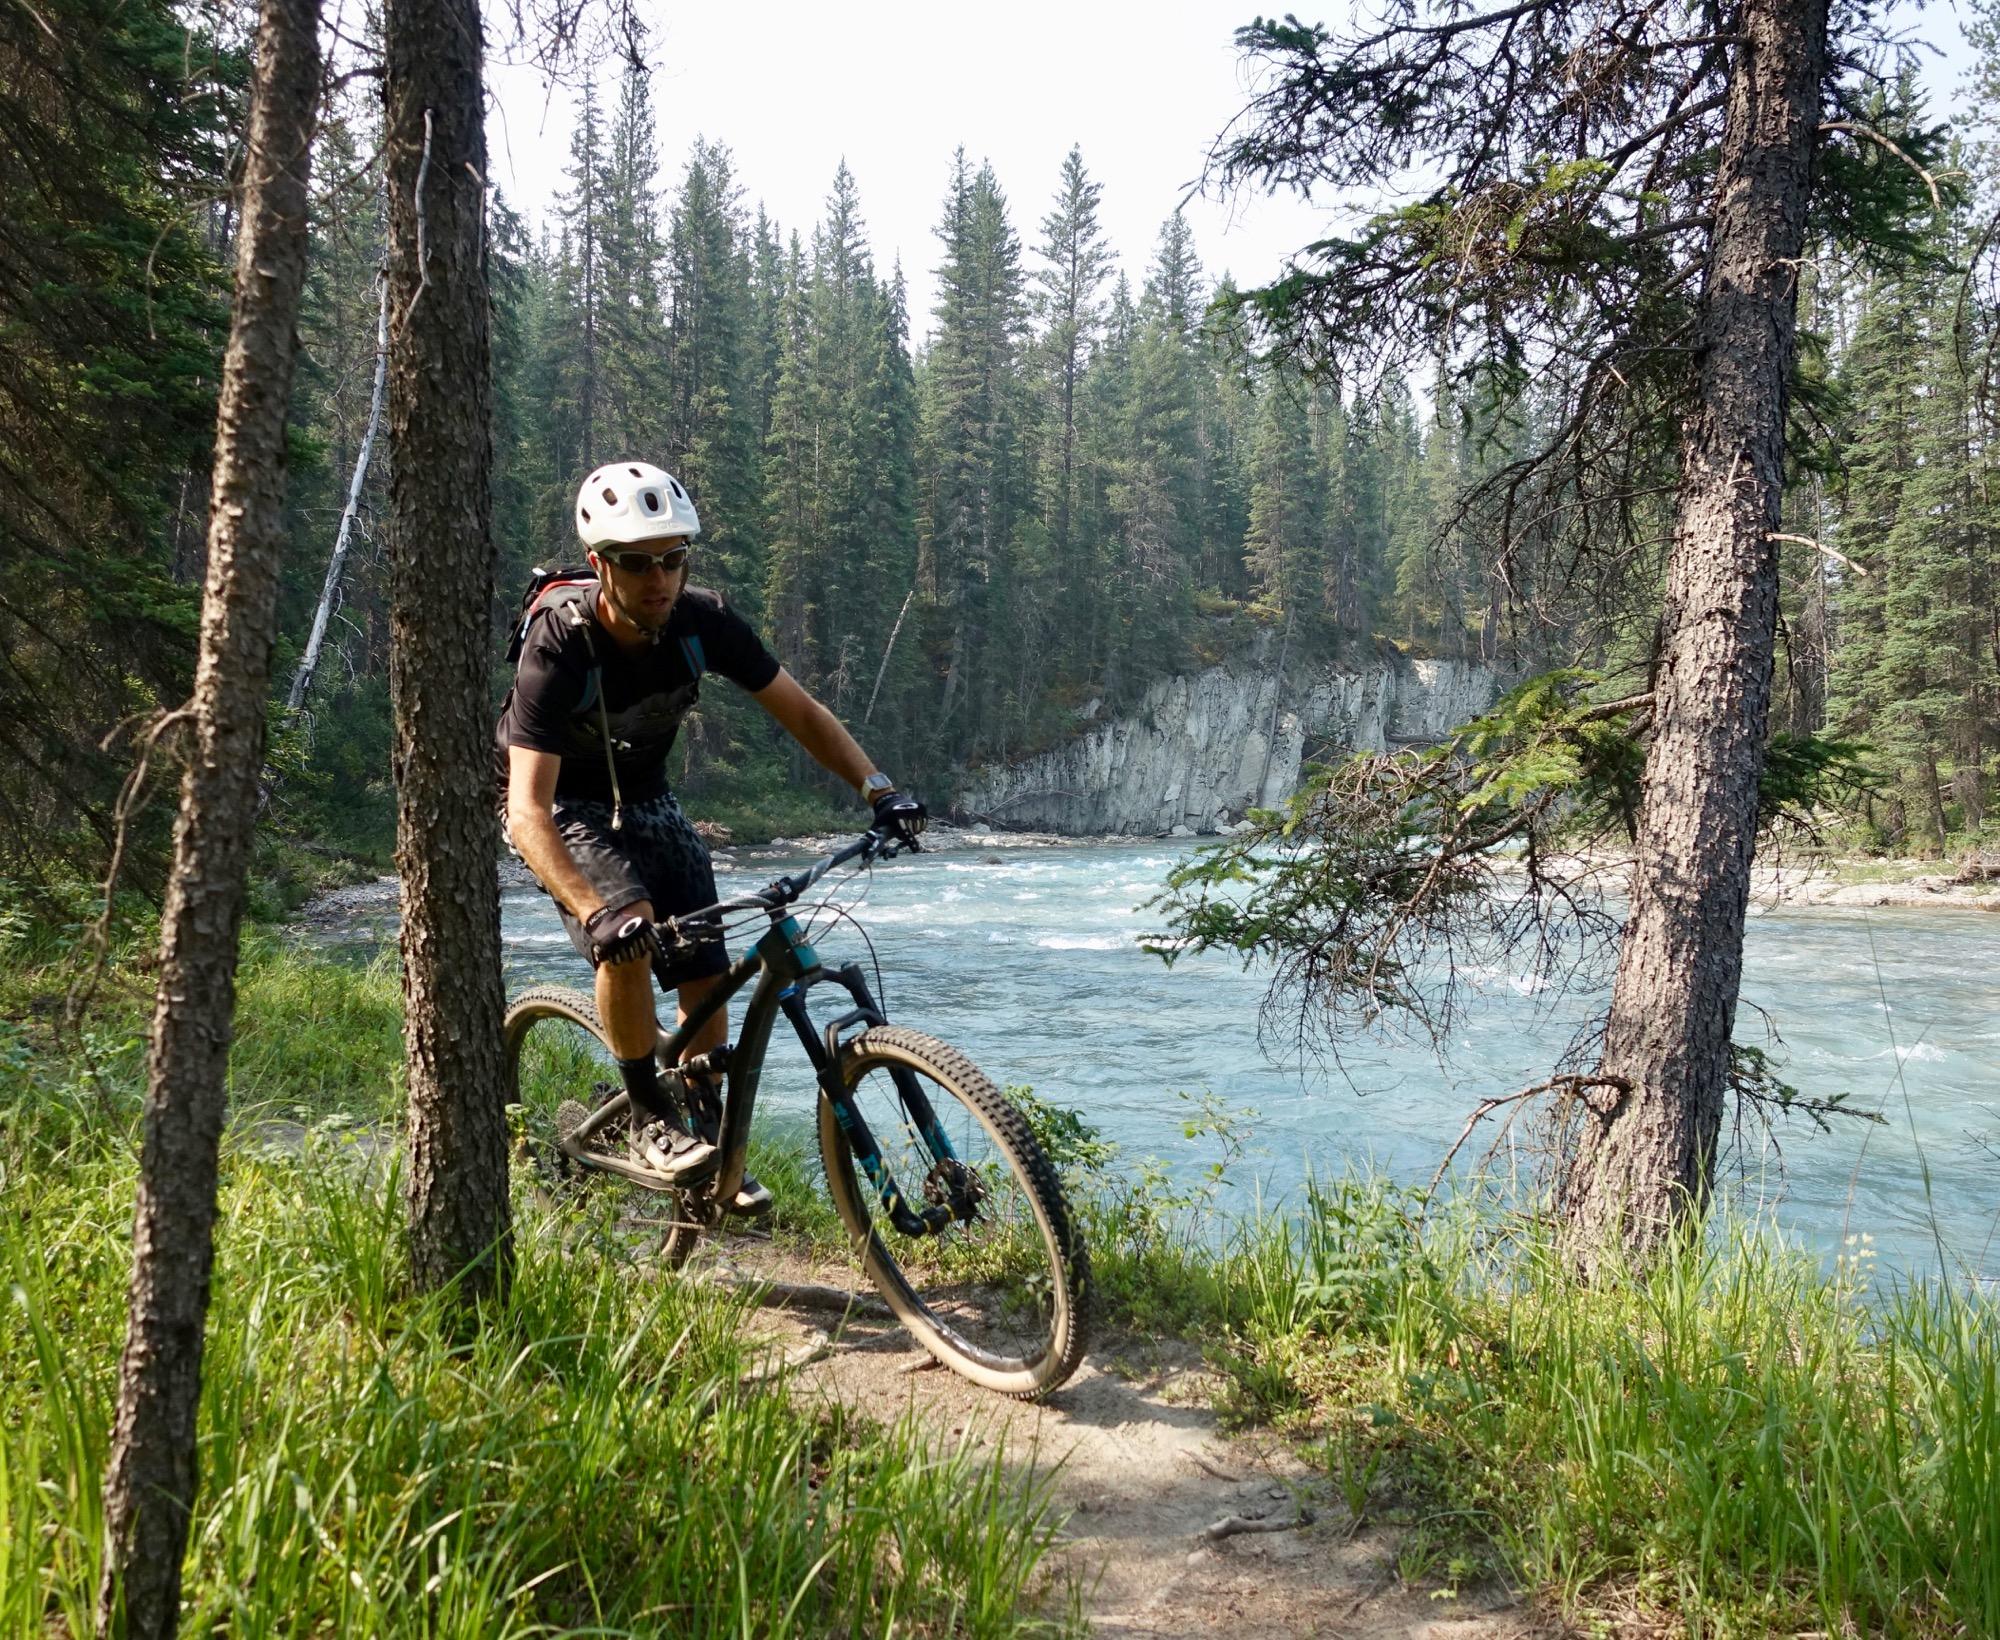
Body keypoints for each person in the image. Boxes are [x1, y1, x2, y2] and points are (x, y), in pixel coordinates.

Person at [496, 461, 926, 1204]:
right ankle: (644, 1115)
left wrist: (878, 789)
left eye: (671, 558)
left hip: (646, 797)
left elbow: (801, 712)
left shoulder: (703, 621)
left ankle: (706, 1135)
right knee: (629, 930)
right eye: (636, 562)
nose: (657, 578)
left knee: (703, 960)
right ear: (601, 566)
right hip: (561, 804)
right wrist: (595, 913)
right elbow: (525, 811)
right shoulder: (559, 645)